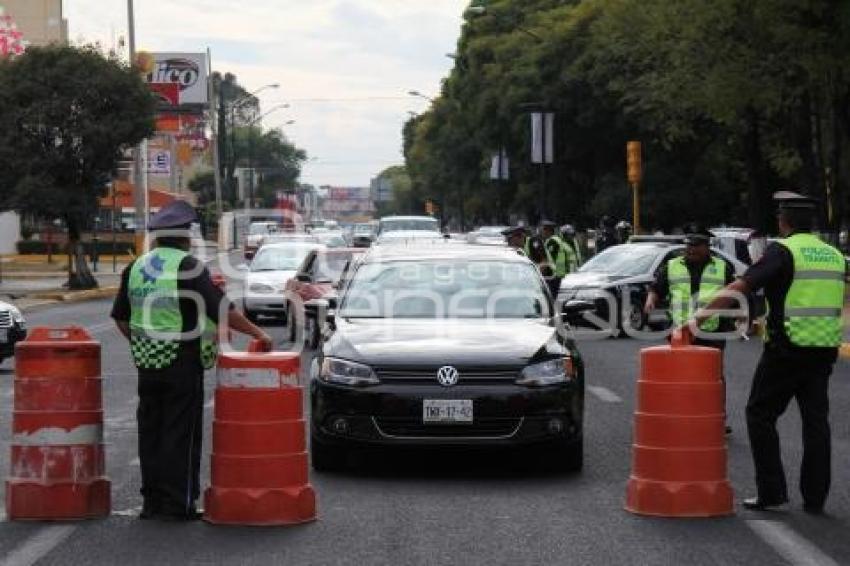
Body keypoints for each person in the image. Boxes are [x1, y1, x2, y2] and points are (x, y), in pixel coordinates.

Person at [111, 200, 273, 521]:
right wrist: (259, 334)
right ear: (185, 237)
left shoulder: (136, 268)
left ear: (156, 237)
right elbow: (222, 311)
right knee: (180, 433)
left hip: (147, 363)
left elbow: (121, 318)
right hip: (182, 363)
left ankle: (152, 503)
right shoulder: (188, 267)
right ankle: (179, 503)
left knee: (151, 432)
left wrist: (143, 342)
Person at [690, 191, 845, 513]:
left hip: (787, 348)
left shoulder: (783, 251)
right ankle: (815, 499)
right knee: (816, 423)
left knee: (760, 415)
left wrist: (696, 321)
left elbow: (740, 288)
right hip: (824, 349)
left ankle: (771, 492)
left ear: (784, 220)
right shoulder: (832, 254)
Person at [644, 224, 736, 432]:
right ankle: (682, 415)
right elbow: (656, 287)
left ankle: (716, 419)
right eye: (688, 244)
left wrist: (740, 317)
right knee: (680, 375)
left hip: (713, 330)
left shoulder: (723, 267)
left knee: (713, 377)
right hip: (680, 330)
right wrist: (651, 299)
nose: (691, 249)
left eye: (696, 245)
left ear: (707, 246)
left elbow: (734, 294)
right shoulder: (672, 265)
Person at [540, 220, 578, 298]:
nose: (542, 232)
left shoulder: (552, 241)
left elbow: (548, 260)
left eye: (543, 230)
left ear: (548, 231)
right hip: (563, 275)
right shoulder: (559, 240)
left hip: (555, 276)